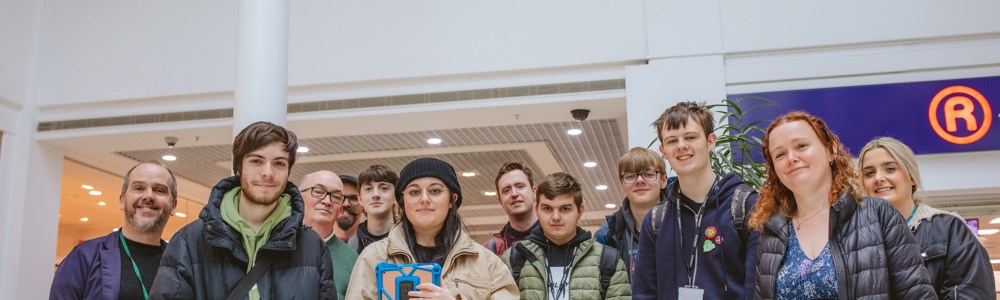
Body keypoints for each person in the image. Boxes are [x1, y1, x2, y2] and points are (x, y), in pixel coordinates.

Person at [751, 112, 935, 299]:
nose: (791, 158)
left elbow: (917, 294)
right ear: (774, 170)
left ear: (831, 151)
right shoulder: (772, 233)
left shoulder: (878, 215)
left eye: (801, 146)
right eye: (780, 154)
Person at [149, 121, 335, 300]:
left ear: (289, 172)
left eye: (279, 163)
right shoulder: (189, 241)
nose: (268, 172)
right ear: (238, 167)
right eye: (256, 161)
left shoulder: (312, 247)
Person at [632, 101, 760, 300]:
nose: (682, 146)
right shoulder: (656, 220)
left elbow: (758, 289)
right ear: (663, 151)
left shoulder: (746, 206)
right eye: (672, 141)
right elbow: (644, 294)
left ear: (711, 141)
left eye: (690, 137)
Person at [346, 157, 519, 300]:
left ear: (452, 200)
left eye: (435, 191)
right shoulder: (374, 257)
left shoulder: (487, 263)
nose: (424, 199)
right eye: (414, 192)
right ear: (402, 202)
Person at [859, 137, 995, 298]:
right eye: (869, 173)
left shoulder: (950, 230)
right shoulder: (855, 240)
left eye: (890, 169)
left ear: (912, 178)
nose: (878, 178)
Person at [50, 161, 178, 300]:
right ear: (122, 200)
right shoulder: (84, 257)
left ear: (173, 206)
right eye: (139, 188)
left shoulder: (181, 263)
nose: (148, 196)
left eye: (159, 190)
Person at [501, 172, 631, 300]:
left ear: (580, 211)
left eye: (565, 209)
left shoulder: (608, 259)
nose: (556, 217)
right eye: (547, 208)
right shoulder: (514, 258)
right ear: (537, 211)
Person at [595, 147, 668, 278]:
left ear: (663, 180)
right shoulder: (605, 236)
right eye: (630, 176)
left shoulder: (683, 224)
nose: (639, 180)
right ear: (622, 185)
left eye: (649, 174)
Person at [301, 170, 360, 300]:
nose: (327, 201)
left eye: (336, 197)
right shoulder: (277, 247)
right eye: (318, 191)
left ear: (341, 210)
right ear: (299, 198)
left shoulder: (353, 260)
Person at [483, 161, 540, 256]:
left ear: (534, 192)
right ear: (500, 201)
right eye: (507, 190)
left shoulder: (558, 239)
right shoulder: (489, 251)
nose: (514, 194)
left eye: (520, 186)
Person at [347, 165, 399, 254]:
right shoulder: (348, 248)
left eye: (384, 188)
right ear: (360, 199)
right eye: (368, 188)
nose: (375, 194)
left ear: (395, 197)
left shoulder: (411, 242)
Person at [334, 174, 363, 241]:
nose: (346, 204)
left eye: (353, 198)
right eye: (338, 197)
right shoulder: (315, 243)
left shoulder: (375, 247)